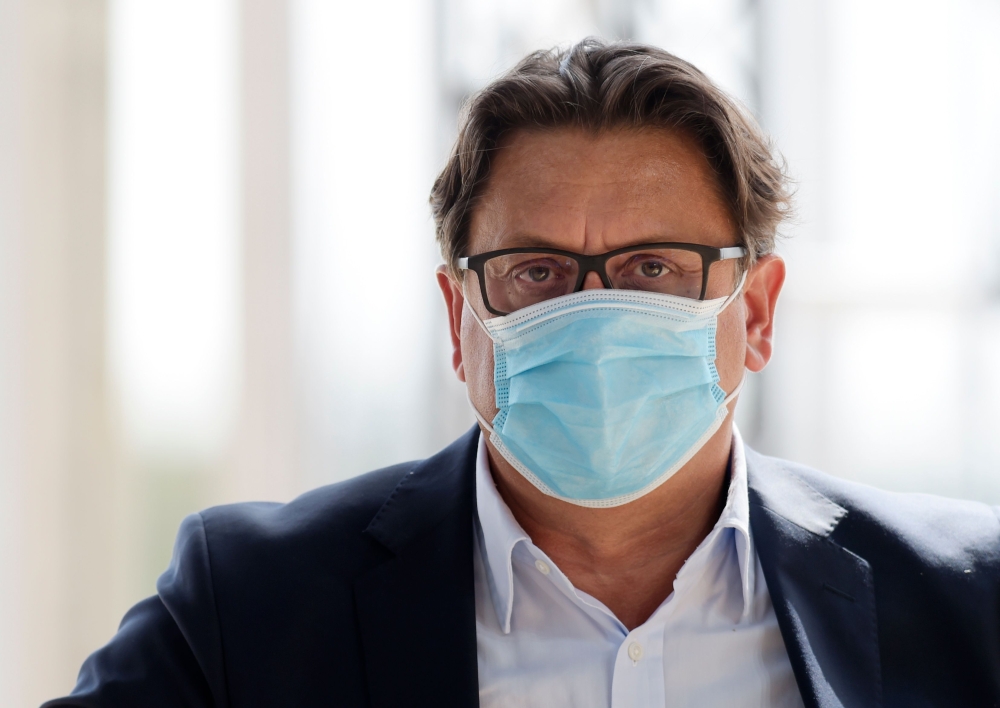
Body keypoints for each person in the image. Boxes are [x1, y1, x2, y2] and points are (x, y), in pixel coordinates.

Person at [45, 39, 1000, 708]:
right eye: (535, 272)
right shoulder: (251, 607)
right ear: (459, 317)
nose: (593, 312)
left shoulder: (970, 601)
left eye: (654, 268)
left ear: (754, 311)